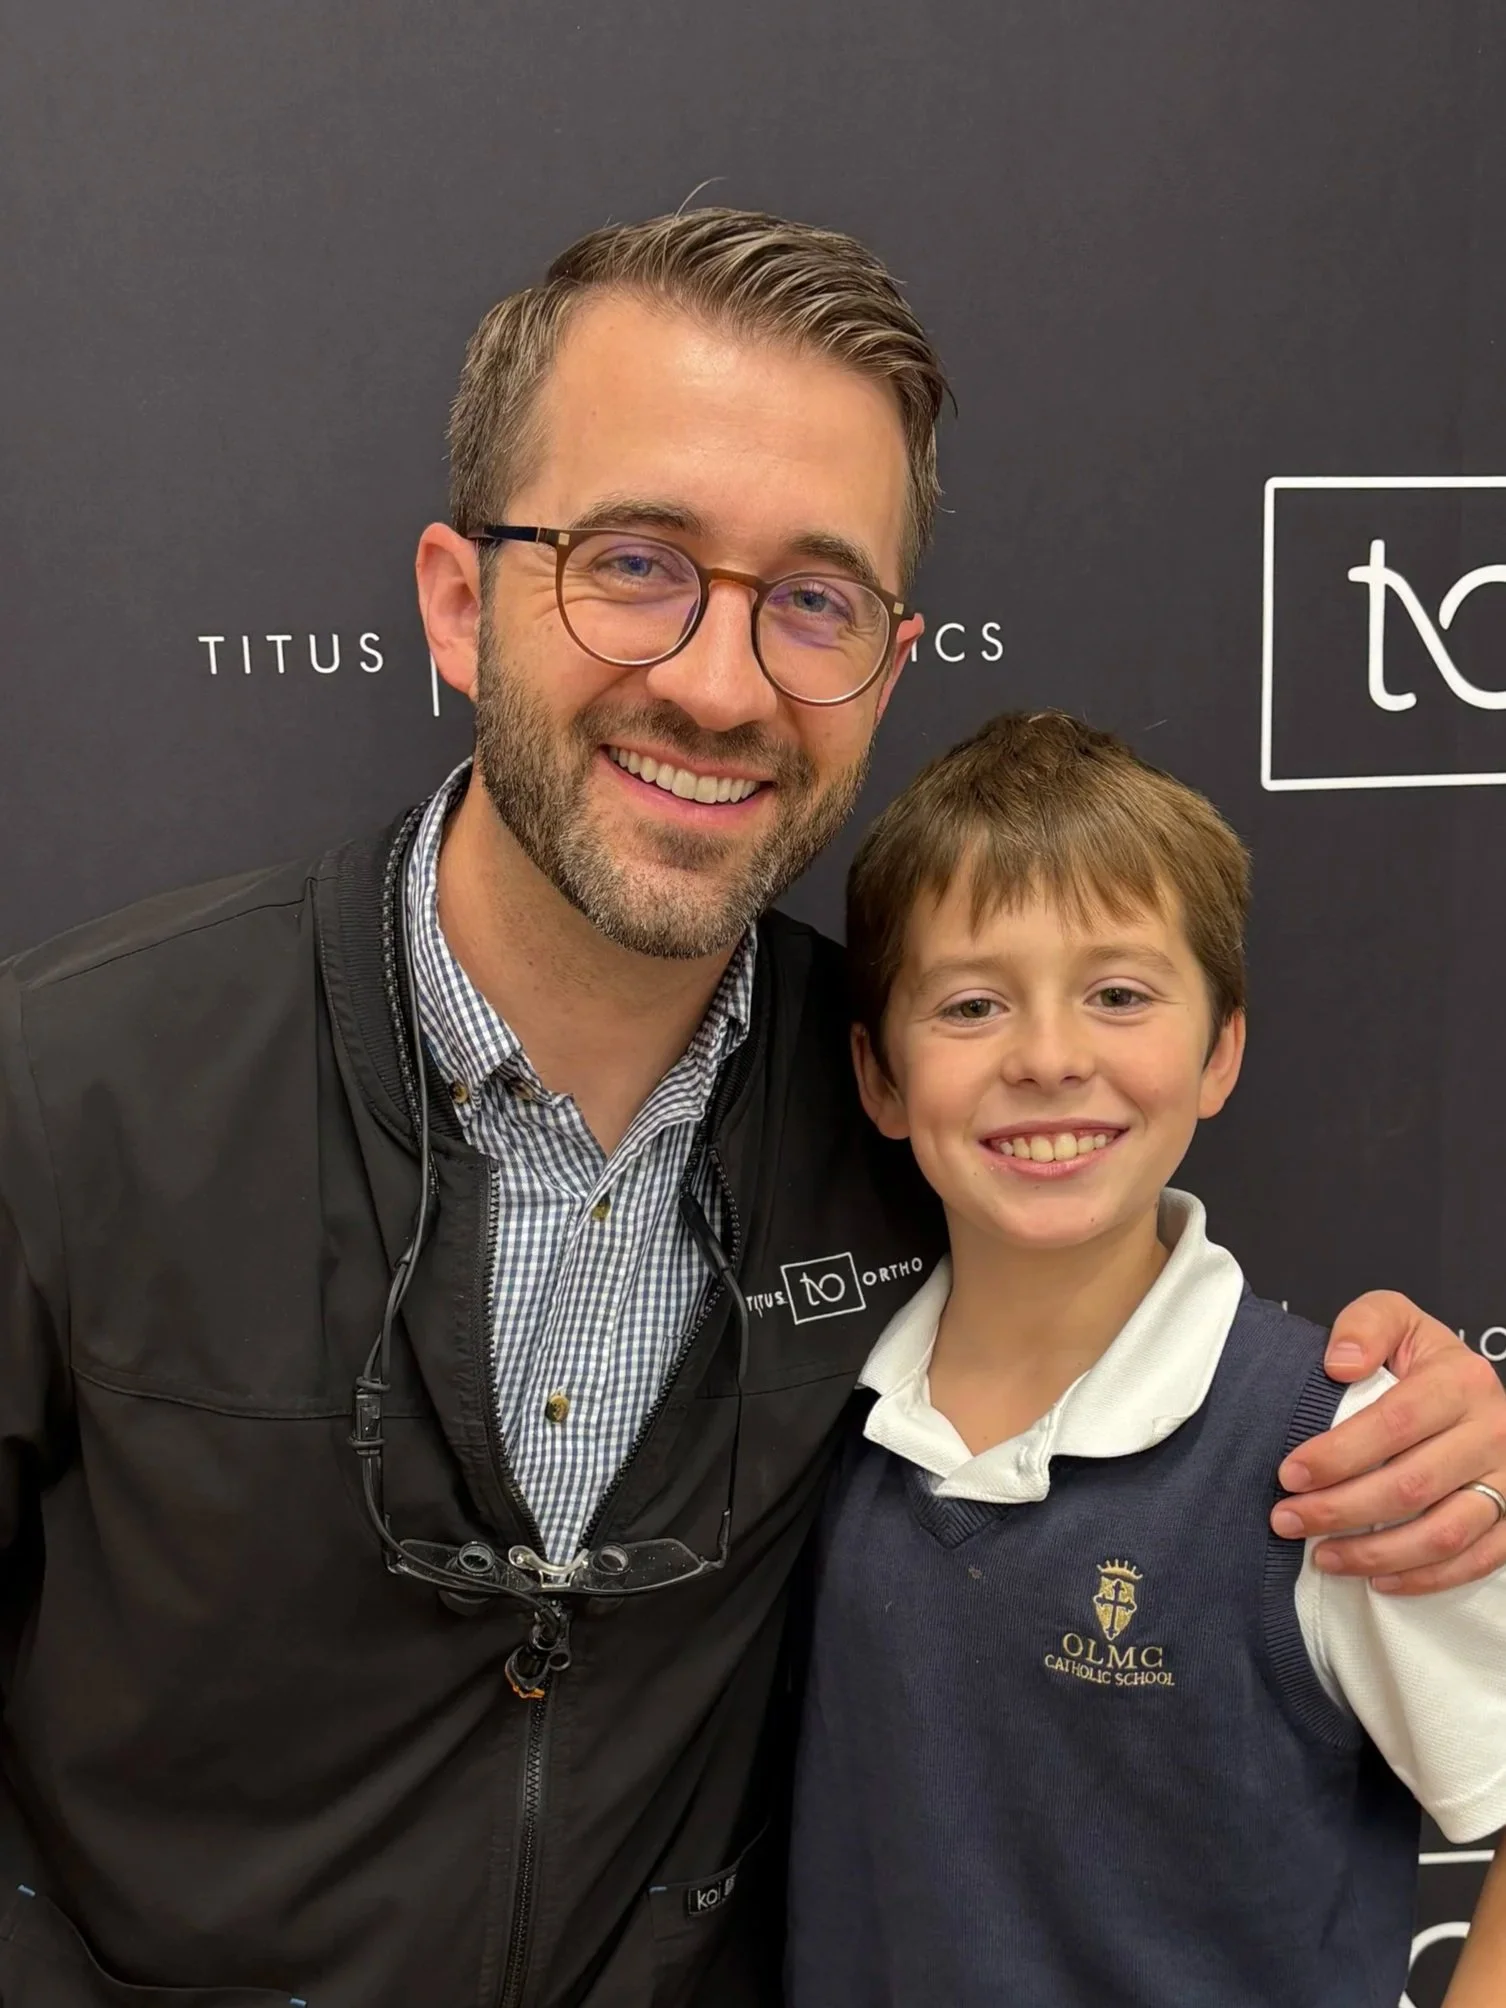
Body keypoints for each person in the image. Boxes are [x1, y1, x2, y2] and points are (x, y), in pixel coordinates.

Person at [0, 210, 1502, 2008]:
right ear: (461, 605)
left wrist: (1423, 1426)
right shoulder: (68, 1090)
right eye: (635, 564)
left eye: (813, 601)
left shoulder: (911, 1119)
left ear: (886, 660)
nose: (720, 686)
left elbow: (1146, 1351)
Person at [787, 710, 1506, 2008]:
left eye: (1118, 994)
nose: (1049, 1059)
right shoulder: (806, 1414)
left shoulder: (1346, 1450)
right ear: (879, 1077)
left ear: (1218, 1049)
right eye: (970, 1004)